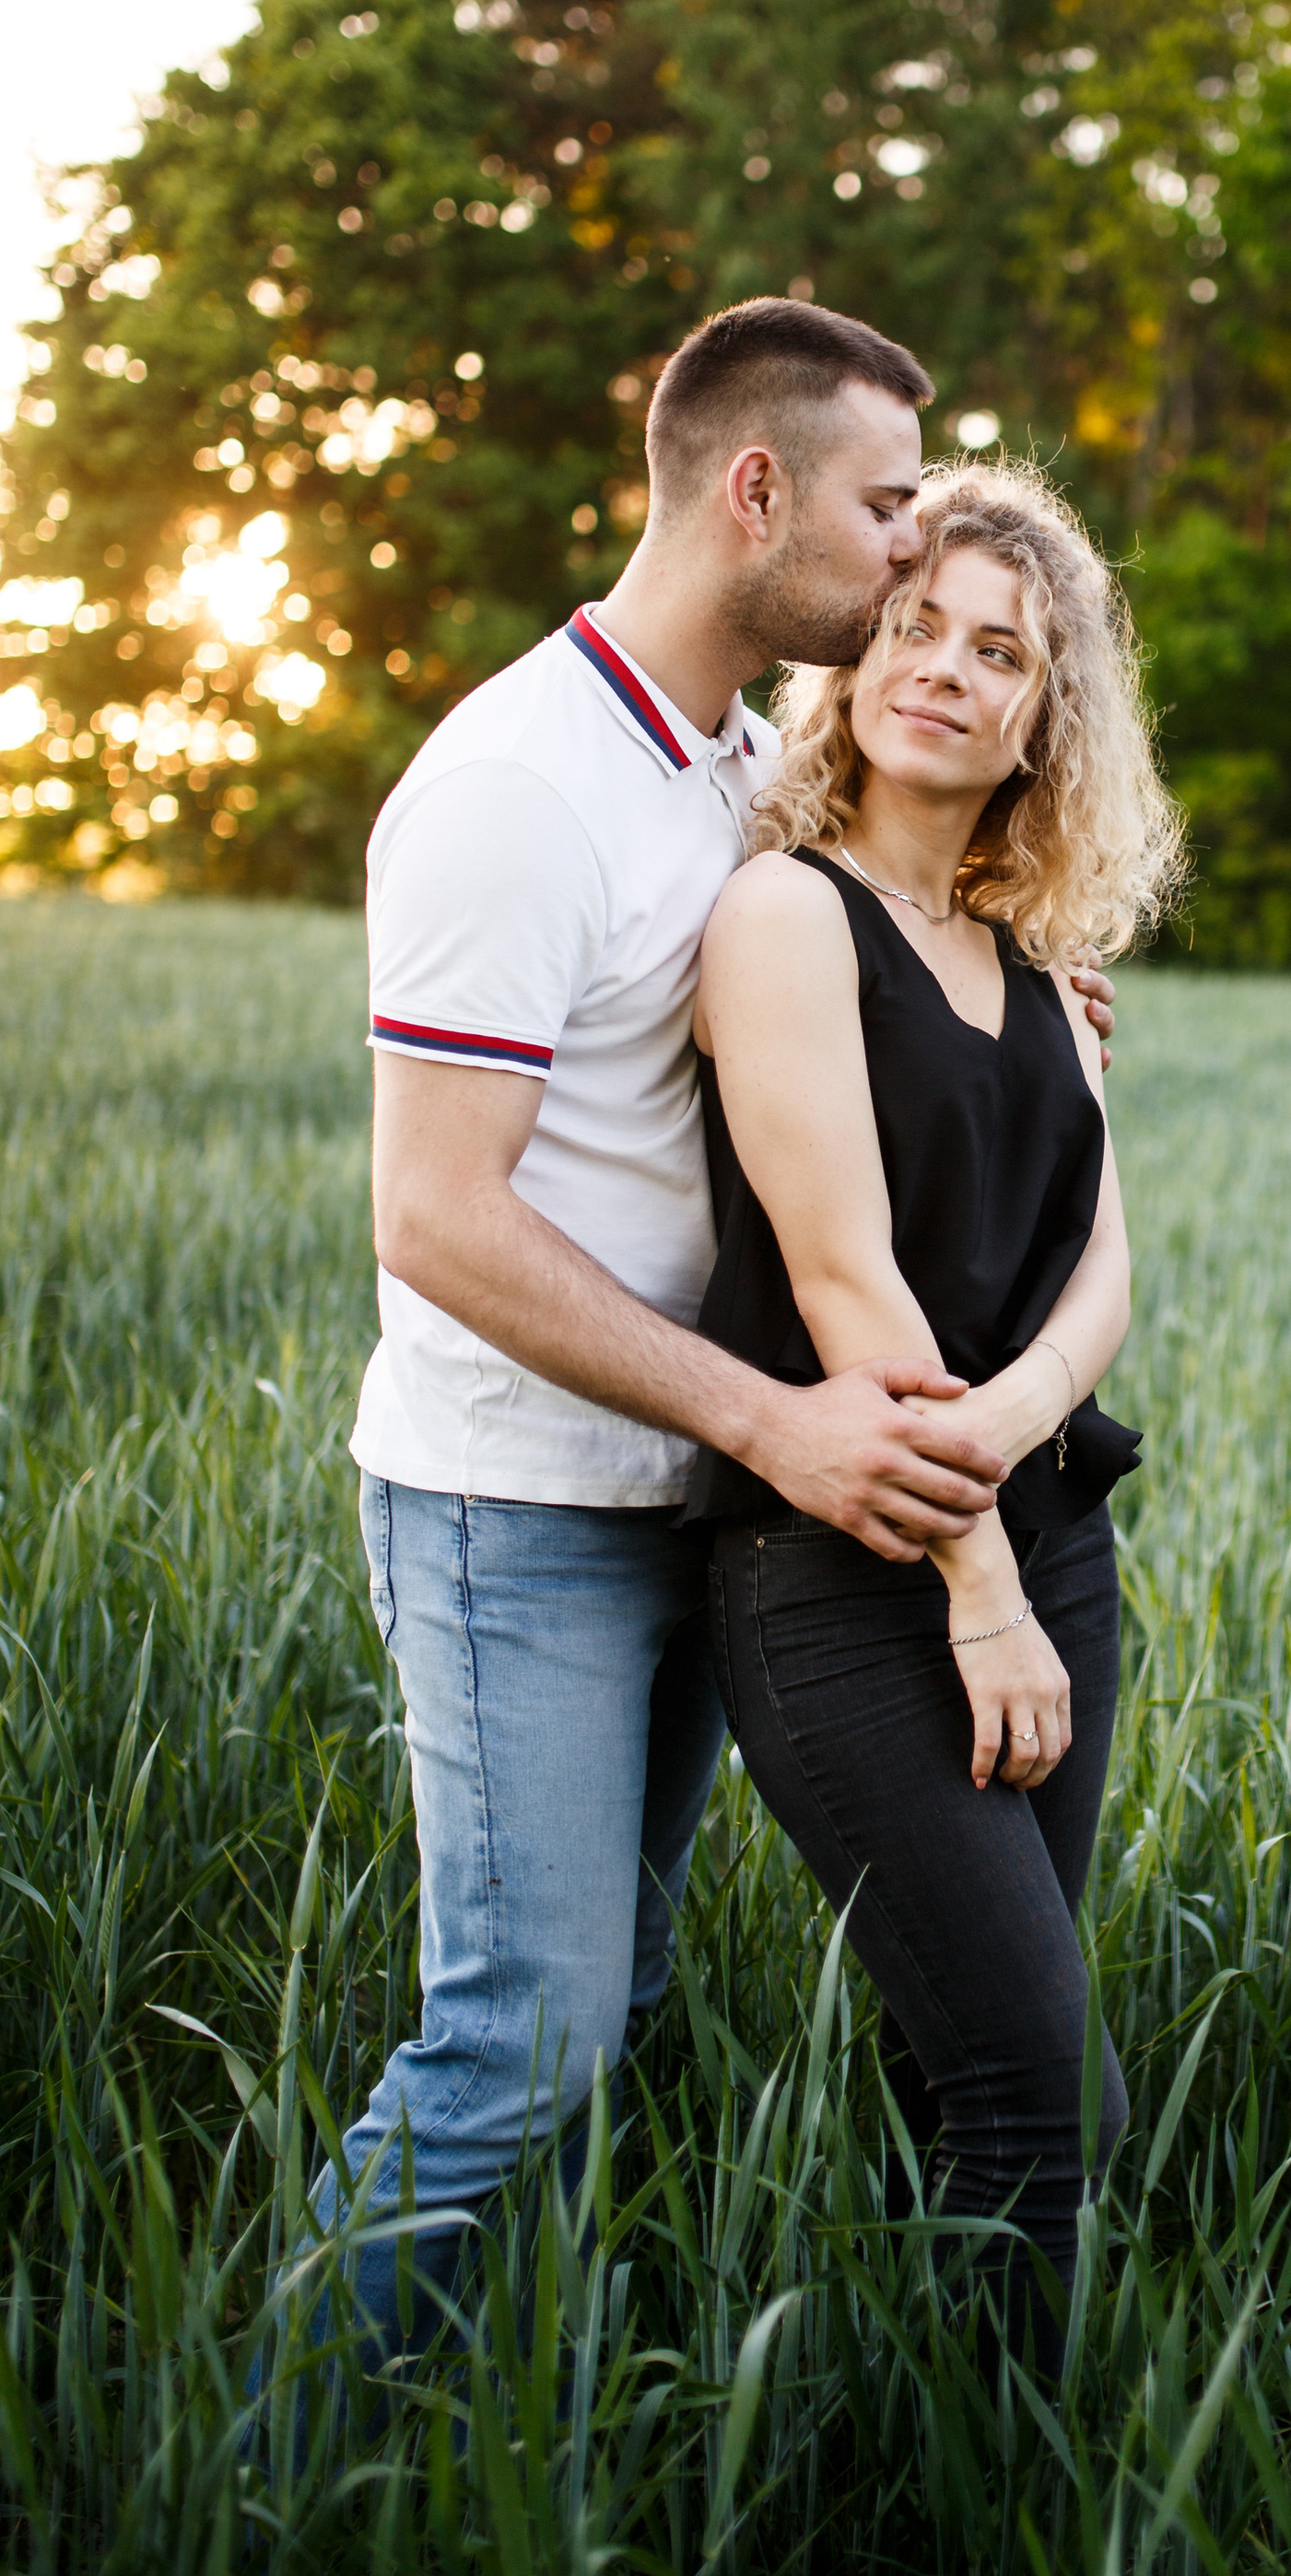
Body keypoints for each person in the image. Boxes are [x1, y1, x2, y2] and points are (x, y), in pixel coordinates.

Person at [303, 296, 1115, 2361]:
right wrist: (770, 1425)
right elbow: (435, 1217)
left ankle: (510, 2444)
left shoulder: (745, 761)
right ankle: (244, 2490)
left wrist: (1018, 1023)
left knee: (617, 2008)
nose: (905, 551)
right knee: (527, 2039)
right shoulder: (512, 785)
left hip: (712, 1488)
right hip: (530, 1509)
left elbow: (867, 989)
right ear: (757, 494)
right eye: (878, 508)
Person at [695, 458, 1181, 2361]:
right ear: (856, 663)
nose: (947, 672)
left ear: (1046, 717)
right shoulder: (784, 921)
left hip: (1054, 1548)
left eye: (1001, 653)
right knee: (1049, 2104)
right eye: (914, 629)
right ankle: (999, 2554)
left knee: (970, 2078)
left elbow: (1102, 1270)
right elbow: (844, 1283)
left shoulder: (1044, 976)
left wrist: (1017, 1425)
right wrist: (968, 1568)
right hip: (853, 1580)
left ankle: (921, 2467)